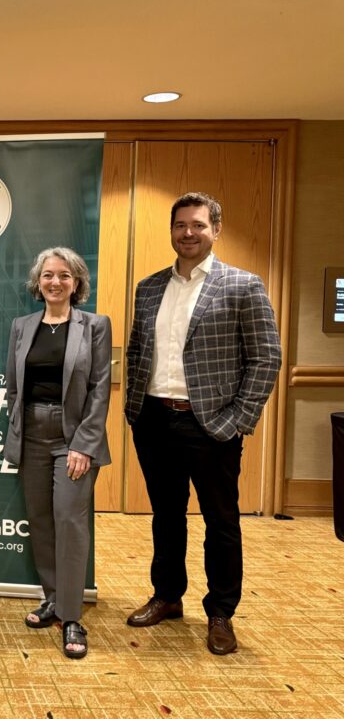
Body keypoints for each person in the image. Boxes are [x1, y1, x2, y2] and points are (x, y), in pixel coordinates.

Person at [124, 192, 281, 655]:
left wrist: (238, 419)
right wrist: (135, 410)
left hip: (211, 425)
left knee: (221, 521)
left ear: (216, 229)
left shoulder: (242, 285)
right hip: (154, 419)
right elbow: (137, 350)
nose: (187, 233)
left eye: (197, 225)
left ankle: (221, 613)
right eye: (180, 225)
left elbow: (266, 357)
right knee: (165, 516)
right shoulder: (149, 287)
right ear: (171, 230)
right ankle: (168, 596)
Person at [4, 247, 111, 659]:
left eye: (64, 276)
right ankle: (52, 599)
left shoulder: (95, 326)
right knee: (41, 521)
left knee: (70, 522)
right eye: (48, 275)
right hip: (30, 434)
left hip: (72, 438)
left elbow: (100, 389)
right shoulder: (21, 326)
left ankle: (71, 617)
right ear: (38, 282)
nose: (55, 282)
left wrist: (84, 444)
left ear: (77, 283)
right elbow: (13, 385)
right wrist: (18, 429)